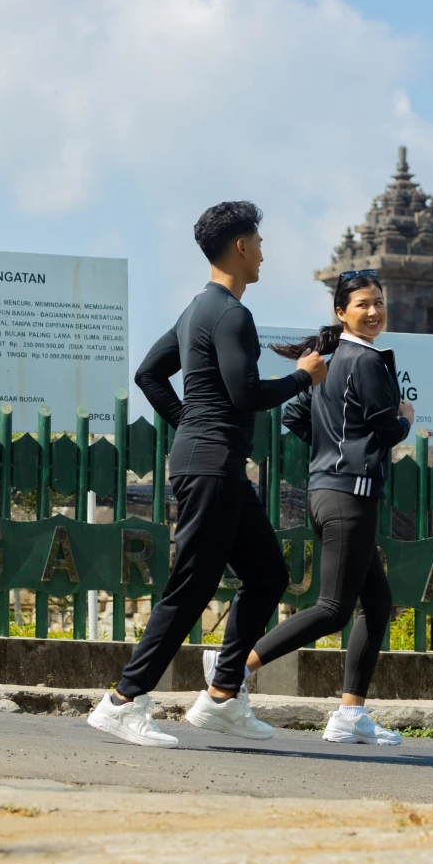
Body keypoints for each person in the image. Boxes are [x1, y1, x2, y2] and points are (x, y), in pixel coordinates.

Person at [87, 201, 328, 748]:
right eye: (259, 242)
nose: (264, 252)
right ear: (241, 246)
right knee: (191, 587)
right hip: (212, 468)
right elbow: (245, 393)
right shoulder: (231, 314)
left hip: (216, 466)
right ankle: (123, 701)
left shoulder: (198, 309)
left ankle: (222, 696)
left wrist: (189, 423)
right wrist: (303, 377)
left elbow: (148, 374)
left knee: (267, 575)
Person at [204, 270, 412, 745]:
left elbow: (295, 415)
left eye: (379, 302)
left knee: (377, 603)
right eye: (362, 304)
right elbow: (385, 429)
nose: (374, 311)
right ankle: (232, 668)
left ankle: (350, 714)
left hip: (328, 491)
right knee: (334, 608)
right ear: (341, 312)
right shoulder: (366, 360)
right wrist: (405, 420)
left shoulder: (330, 362)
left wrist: (332, 449)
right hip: (350, 495)